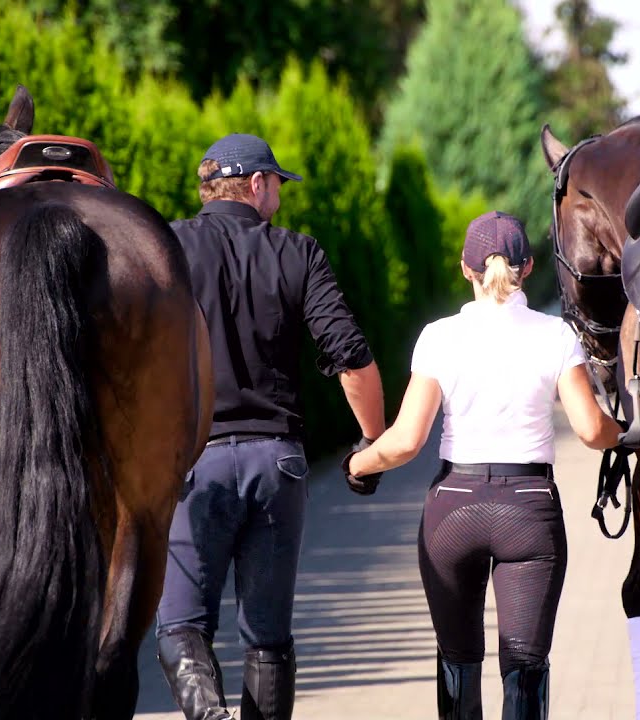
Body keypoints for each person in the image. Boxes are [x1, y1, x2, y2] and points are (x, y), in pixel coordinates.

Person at [343, 211, 623, 720]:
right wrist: (629, 437)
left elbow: (406, 440)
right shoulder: (555, 335)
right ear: (528, 267)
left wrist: (360, 462)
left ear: (465, 270)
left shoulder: (438, 337)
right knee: (525, 667)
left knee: (457, 661)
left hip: (453, 510)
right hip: (529, 512)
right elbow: (589, 430)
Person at [156, 133, 386, 720]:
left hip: (194, 466)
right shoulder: (297, 253)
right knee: (268, 638)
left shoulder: (168, 248)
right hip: (276, 465)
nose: (279, 197)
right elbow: (350, 355)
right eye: (277, 185)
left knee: (180, 625)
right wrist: (370, 444)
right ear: (256, 184)